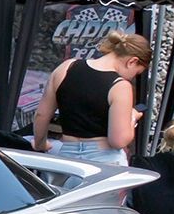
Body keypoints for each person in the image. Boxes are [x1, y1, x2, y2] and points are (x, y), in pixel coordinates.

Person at [32, 30, 152, 165]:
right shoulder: (120, 86)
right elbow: (118, 141)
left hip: (65, 157)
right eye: (136, 72)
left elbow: (41, 115)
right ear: (132, 61)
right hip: (103, 160)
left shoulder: (66, 67)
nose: (131, 77)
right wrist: (132, 118)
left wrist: (40, 143)